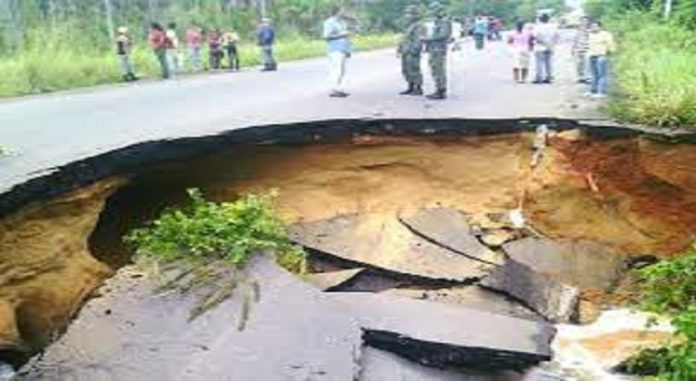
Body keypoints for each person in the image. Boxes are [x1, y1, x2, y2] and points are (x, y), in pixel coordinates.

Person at [422, 2, 451, 100]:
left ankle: (441, 91)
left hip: (438, 49)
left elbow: (443, 35)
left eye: (433, 10)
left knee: (439, 70)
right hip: (434, 49)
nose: (432, 12)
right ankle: (438, 89)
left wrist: (428, 39)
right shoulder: (438, 21)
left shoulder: (444, 21)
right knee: (434, 69)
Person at [323, 6, 352, 97]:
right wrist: (341, 35)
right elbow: (326, 36)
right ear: (337, 12)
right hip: (335, 48)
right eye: (342, 11)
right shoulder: (329, 22)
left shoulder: (342, 22)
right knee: (337, 69)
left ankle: (338, 88)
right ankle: (334, 89)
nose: (343, 13)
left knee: (342, 70)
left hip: (343, 48)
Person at [398, 5, 424, 96]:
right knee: (406, 69)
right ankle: (410, 86)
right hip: (406, 51)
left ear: (415, 15)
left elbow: (419, 39)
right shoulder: (409, 26)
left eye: (409, 14)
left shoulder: (419, 26)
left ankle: (418, 88)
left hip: (412, 51)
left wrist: (415, 50)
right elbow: (404, 39)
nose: (407, 16)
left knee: (414, 69)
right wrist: (400, 48)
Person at [587, 21, 616, 98]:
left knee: (601, 75)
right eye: (592, 26)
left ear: (600, 27)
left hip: (601, 56)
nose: (594, 28)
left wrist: (610, 54)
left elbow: (611, 45)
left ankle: (602, 92)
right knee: (593, 74)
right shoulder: (590, 35)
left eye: (596, 26)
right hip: (592, 56)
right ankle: (593, 91)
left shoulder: (606, 35)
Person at [532, 13, 559, 84]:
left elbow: (536, 37)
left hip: (540, 47)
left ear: (540, 19)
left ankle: (539, 78)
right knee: (549, 63)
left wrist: (545, 43)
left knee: (539, 63)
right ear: (548, 19)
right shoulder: (553, 26)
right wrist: (551, 44)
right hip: (550, 46)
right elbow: (556, 36)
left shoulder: (538, 27)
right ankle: (549, 78)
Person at [572, 16, 591, 83]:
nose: (584, 22)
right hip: (578, 49)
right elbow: (575, 40)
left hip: (587, 49)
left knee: (587, 64)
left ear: (588, 22)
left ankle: (587, 77)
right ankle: (580, 77)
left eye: (586, 21)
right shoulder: (577, 30)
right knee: (578, 64)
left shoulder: (590, 30)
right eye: (583, 21)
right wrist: (573, 49)